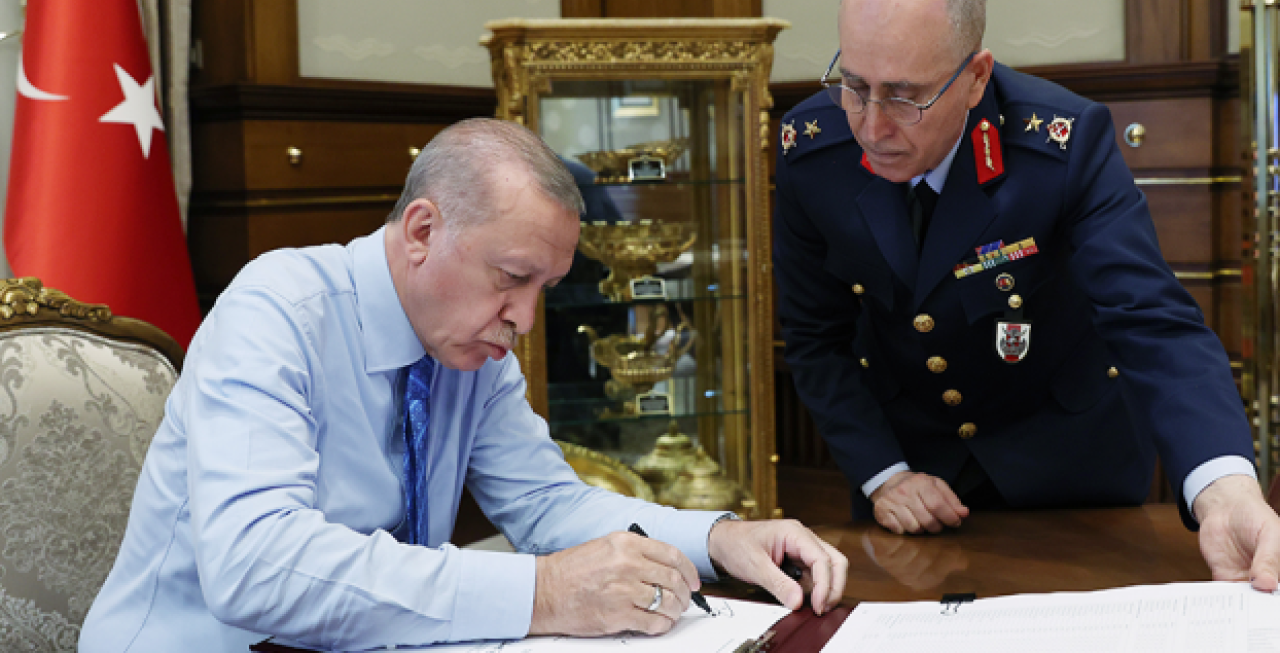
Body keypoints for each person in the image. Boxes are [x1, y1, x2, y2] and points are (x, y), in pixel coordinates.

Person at [82, 118, 847, 652]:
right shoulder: (275, 310)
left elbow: (548, 505)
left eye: (544, 289)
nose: (524, 319)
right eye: (511, 277)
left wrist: (719, 539)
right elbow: (254, 568)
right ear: (423, 231)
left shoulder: (474, 352)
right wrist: (544, 594)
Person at [772, 0, 1280, 590]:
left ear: (975, 76)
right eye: (853, 84)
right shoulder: (813, 151)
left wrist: (1225, 490)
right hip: (911, 485)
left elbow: (1151, 319)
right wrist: (883, 473)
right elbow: (815, 338)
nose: (871, 126)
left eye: (904, 95)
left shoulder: (1061, 146)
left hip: (1071, 476)